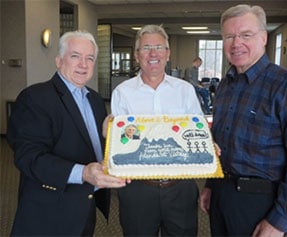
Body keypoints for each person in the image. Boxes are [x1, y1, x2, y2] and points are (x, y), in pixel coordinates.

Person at [199, 4, 287, 237]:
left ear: (263, 38)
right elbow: (221, 143)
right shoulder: (225, 85)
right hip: (222, 194)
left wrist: (279, 221)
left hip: (261, 202)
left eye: (246, 35)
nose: (236, 43)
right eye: (229, 36)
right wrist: (211, 185)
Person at [6, 30, 129, 236]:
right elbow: (28, 157)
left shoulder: (95, 101)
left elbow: (90, 146)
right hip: (48, 213)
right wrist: (82, 173)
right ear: (58, 60)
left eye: (89, 58)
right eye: (75, 56)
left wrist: (111, 139)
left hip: (84, 208)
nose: (83, 64)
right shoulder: (35, 97)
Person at [109, 24, 203, 236]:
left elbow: (198, 132)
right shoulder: (122, 93)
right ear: (136, 55)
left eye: (159, 47)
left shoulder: (185, 91)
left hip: (180, 187)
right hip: (138, 189)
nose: (153, 53)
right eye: (146, 48)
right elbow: (122, 142)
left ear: (168, 54)